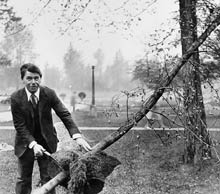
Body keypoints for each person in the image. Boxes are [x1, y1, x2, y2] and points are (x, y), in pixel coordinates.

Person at [10, 63, 92, 194]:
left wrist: (78, 136)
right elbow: (20, 126)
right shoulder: (15, 98)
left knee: (48, 179)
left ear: (40, 78)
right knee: (23, 179)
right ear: (23, 79)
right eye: (29, 78)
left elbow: (64, 114)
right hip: (25, 144)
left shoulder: (49, 93)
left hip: (47, 142)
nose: (33, 82)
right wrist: (33, 144)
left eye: (36, 78)